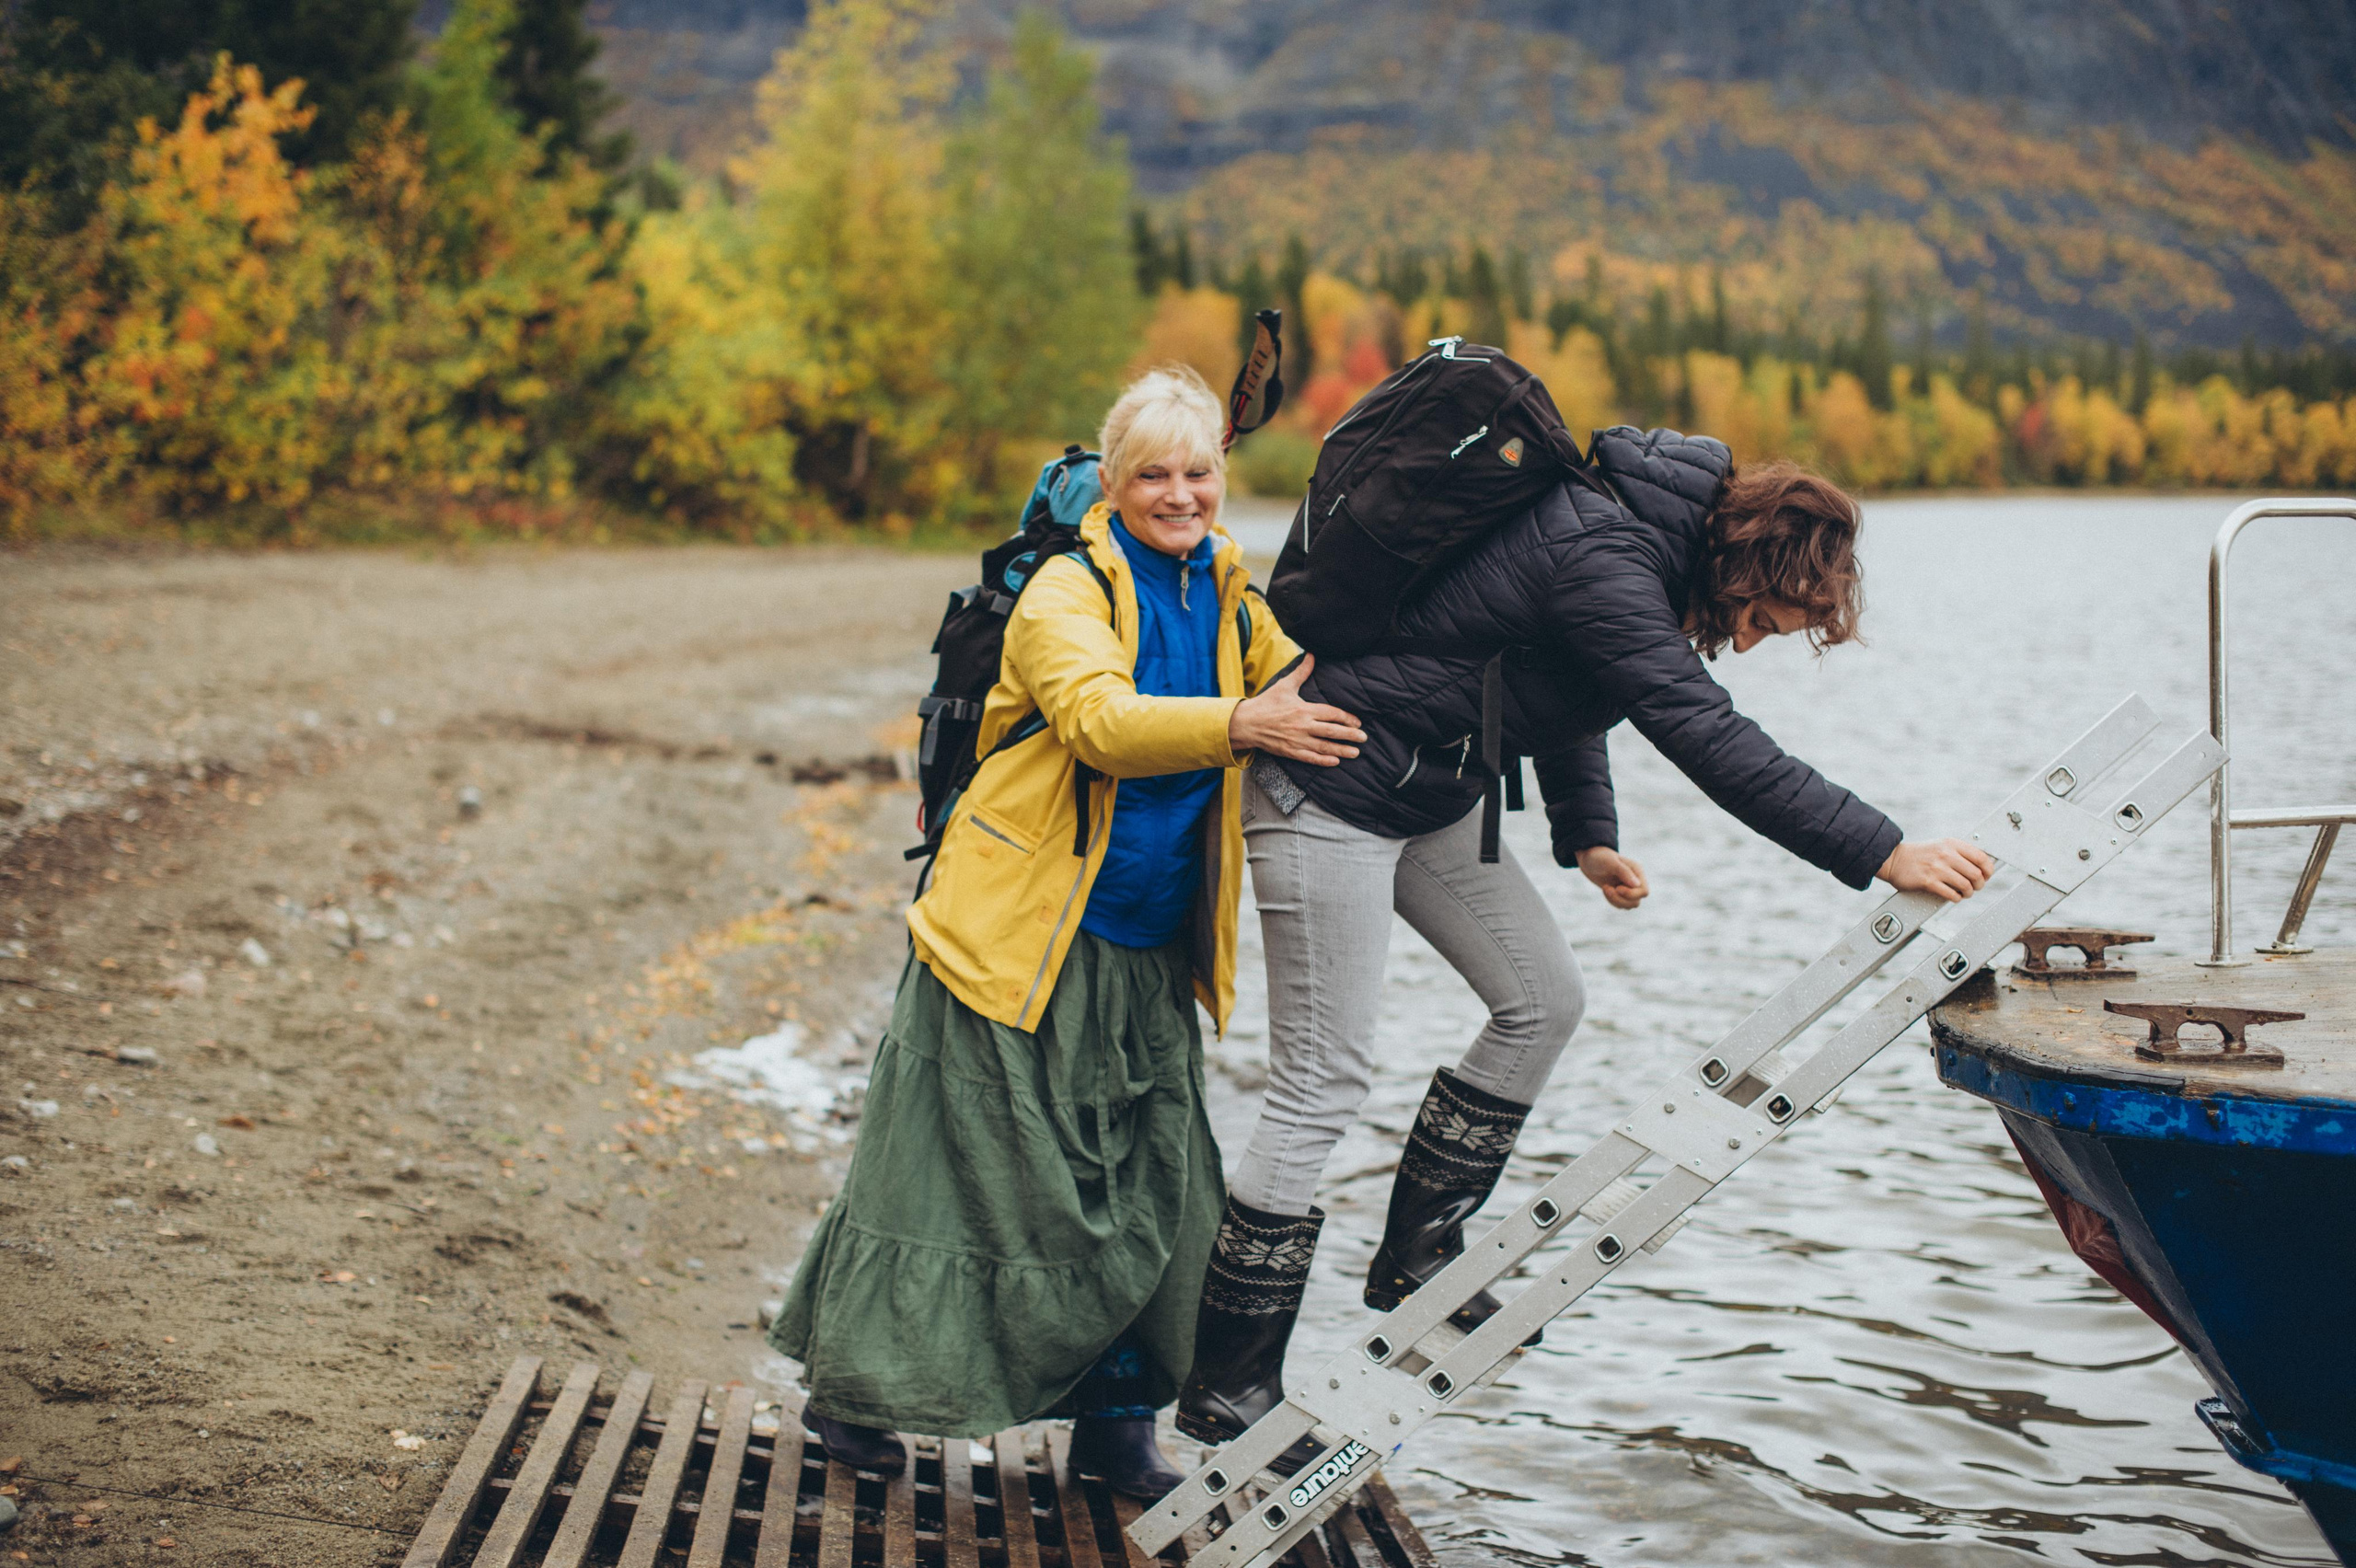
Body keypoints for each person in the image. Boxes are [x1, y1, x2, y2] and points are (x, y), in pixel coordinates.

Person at [1176, 426, 1994, 1458]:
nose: (1746, 642)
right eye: (1758, 619)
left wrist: (1589, 838)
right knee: (1321, 1082)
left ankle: (1416, 1260)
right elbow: (1705, 733)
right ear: (1742, 563)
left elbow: (1573, 690)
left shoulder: (1639, 557)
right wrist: (1884, 850)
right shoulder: (1606, 555)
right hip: (1331, 786)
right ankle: (1230, 1385)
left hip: (1424, 790)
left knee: (1543, 1000)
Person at [769, 366, 1366, 1500]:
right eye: (1154, 475)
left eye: (1198, 474)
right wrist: (1247, 723)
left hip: (1147, 948)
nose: (1179, 495)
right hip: (1013, 939)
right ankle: (855, 1404)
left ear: (1222, 480)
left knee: (1153, 1185)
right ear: (1115, 480)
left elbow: (1319, 681)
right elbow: (1098, 722)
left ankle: (1116, 1425)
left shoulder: (1233, 593)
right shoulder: (1064, 589)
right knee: (949, 1175)